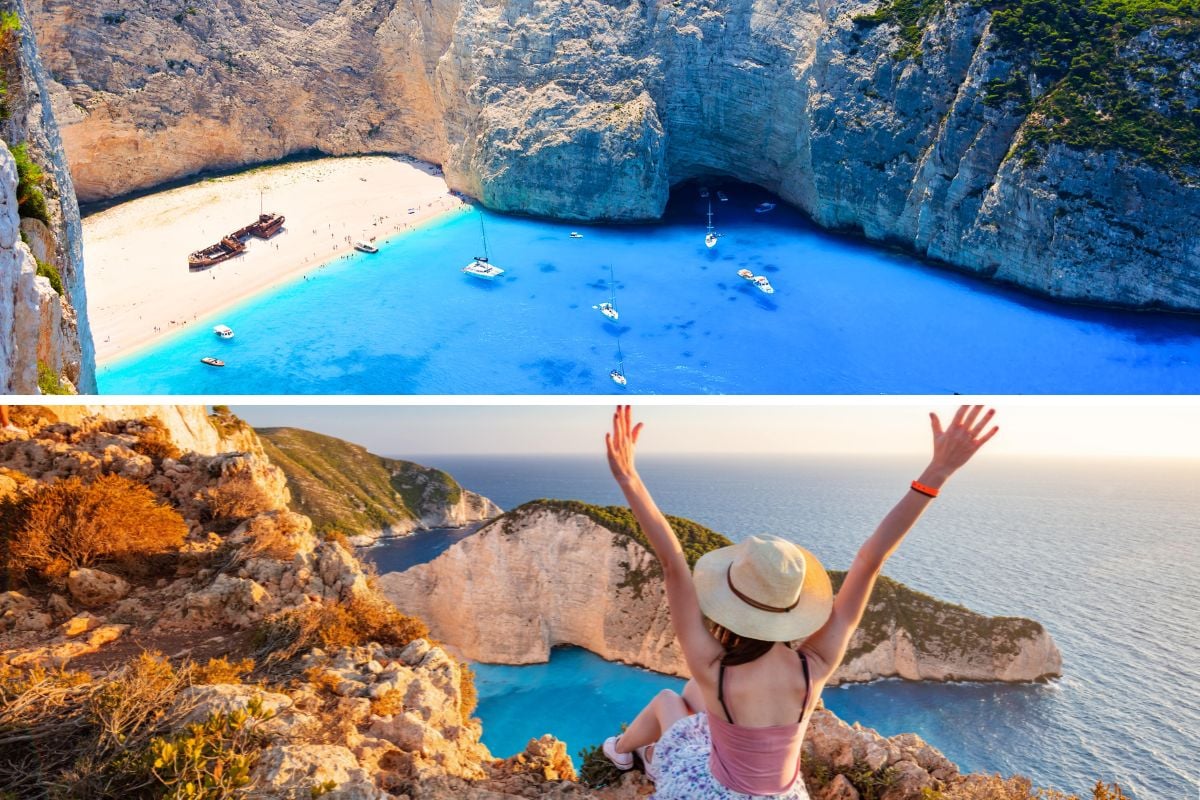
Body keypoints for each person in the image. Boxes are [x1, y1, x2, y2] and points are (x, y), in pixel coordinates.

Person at [601, 405, 998, 798]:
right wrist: (936, 473)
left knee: (671, 699)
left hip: (711, 792)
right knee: (688, 697)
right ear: (791, 608)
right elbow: (870, 561)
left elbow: (673, 565)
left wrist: (630, 479)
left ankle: (624, 753)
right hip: (784, 796)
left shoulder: (713, 669)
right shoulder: (815, 667)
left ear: (730, 607)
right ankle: (637, 754)